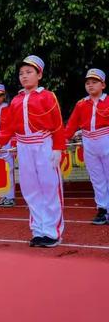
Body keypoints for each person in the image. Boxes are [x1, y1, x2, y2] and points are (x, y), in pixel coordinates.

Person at [0, 55, 65, 248]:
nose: (24, 76)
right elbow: (8, 126)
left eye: (29, 72)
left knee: (49, 187)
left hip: (43, 144)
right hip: (23, 147)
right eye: (21, 73)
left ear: (39, 75)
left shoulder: (48, 96)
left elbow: (57, 125)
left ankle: (52, 232)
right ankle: (39, 229)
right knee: (30, 188)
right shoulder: (16, 100)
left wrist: (58, 149)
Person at [65, 68, 109, 225]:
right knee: (97, 178)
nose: (90, 86)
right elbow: (71, 124)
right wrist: (63, 139)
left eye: (94, 82)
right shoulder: (81, 104)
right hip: (89, 142)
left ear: (103, 85)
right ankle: (102, 209)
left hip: (106, 140)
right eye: (88, 83)